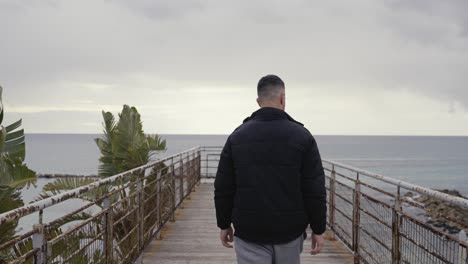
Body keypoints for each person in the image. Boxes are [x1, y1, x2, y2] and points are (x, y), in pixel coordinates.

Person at [214, 75, 327, 264]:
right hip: (289, 232)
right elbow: (314, 189)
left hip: (249, 230)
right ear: (283, 98)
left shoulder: (237, 137)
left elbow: (224, 187)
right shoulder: (303, 137)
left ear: (258, 102)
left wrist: (224, 224)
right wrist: (318, 229)